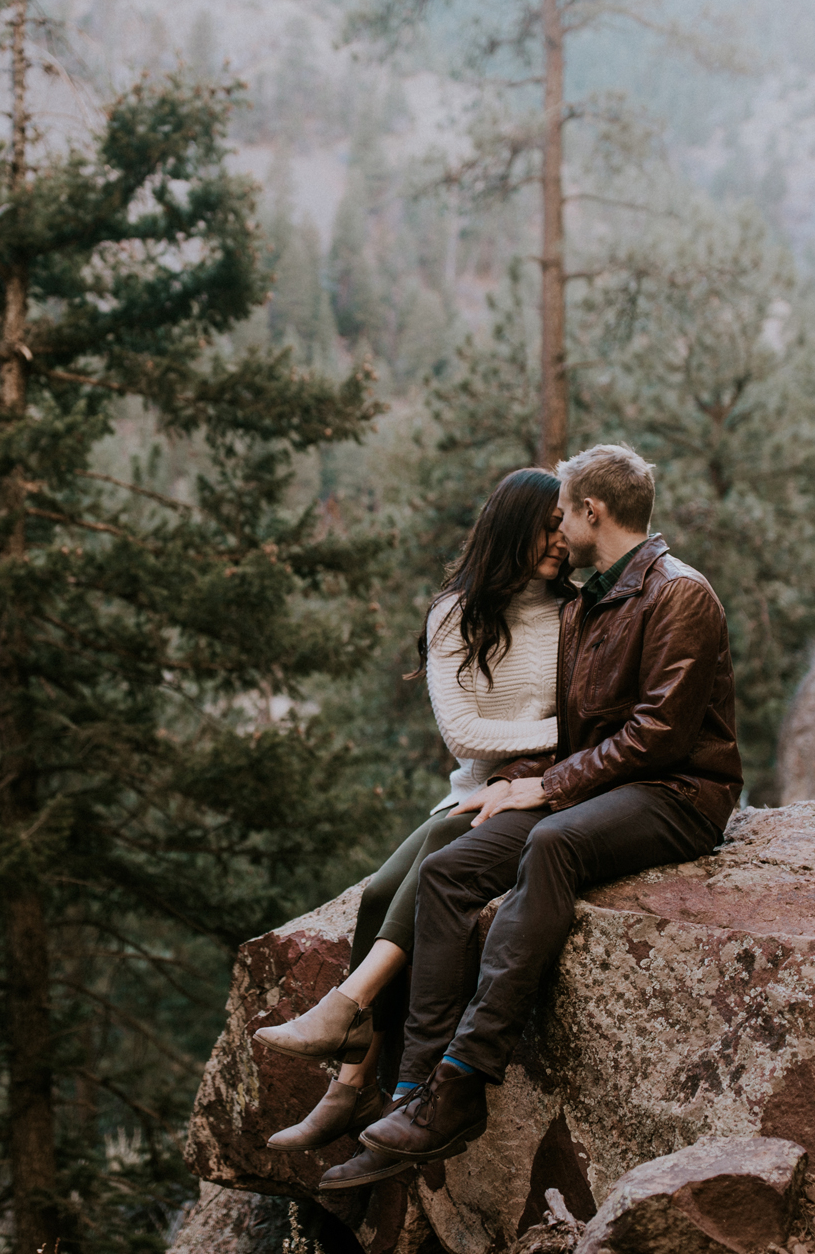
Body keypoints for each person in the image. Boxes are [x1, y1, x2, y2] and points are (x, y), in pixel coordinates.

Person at [321, 442, 744, 1189]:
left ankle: (463, 1077)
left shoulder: (680, 593)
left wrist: (545, 789)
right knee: (449, 871)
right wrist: (516, 781)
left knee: (551, 843)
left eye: (562, 515)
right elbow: (578, 727)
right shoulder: (589, 598)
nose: (557, 532)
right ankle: (416, 1098)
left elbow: (656, 736)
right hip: (606, 786)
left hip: (682, 794)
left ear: (592, 511)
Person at [250, 468, 571, 1162]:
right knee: (379, 891)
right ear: (510, 526)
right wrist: (559, 733)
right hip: (471, 790)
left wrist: (568, 750)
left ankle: (351, 1049)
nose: (559, 539)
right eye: (546, 525)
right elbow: (464, 736)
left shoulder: (575, 611)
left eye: (565, 525)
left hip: (539, 791)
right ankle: (352, 1074)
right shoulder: (456, 612)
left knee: (431, 874)